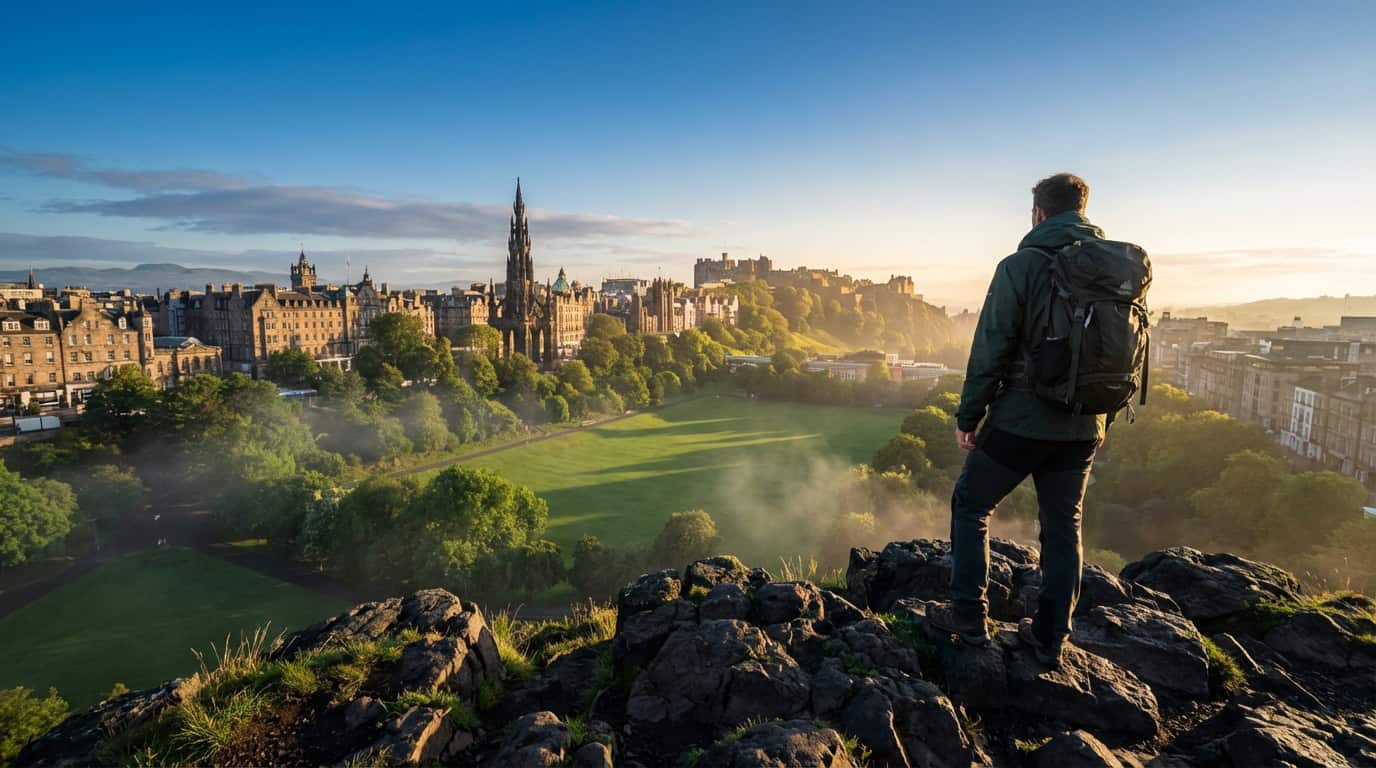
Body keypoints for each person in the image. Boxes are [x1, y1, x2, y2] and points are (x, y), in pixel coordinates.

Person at [925, 173, 1108, 666]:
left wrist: (969, 415)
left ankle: (968, 615)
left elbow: (991, 347)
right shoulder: (1114, 270)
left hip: (1022, 420)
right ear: (1083, 210)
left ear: (1038, 214)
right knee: (1063, 528)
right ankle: (1050, 638)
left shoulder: (1021, 266)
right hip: (1085, 425)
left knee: (970, 505)